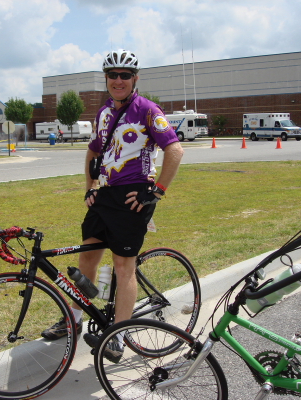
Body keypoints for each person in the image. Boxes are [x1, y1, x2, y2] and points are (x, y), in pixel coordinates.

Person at [41, 49, 184, 363]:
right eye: (112, 75)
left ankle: (118, 333)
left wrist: (156, 192)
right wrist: (89, 187)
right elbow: (93, 152)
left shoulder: (148, 110)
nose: (118, 80)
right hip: (104, 195)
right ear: (106, 78)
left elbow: (175, 151)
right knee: (88, 259)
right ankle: (74, 319)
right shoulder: (104, 111)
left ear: (135, 78)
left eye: (125, 75)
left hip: (134, 197)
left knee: (123, 267)